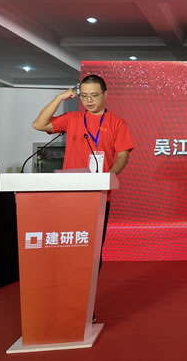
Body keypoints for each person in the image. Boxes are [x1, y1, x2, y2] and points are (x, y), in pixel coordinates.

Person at [32, 75, 134, 275]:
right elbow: (39, 125)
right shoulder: (72, 119)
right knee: (68, 243)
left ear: (105, 94)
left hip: (99, 194)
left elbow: (123, 155)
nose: (89, 100)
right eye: (85, 96)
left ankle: (88, 291)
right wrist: (59, 98)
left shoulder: (117, 123)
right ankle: (67, 284)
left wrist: (108, 177)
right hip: (70, 192)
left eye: (94, 95)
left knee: (93, 247)